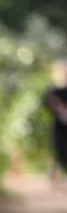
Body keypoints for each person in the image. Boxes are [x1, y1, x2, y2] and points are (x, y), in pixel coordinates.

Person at [43, 60, 67, 189]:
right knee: (58, 150)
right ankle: (54, 176)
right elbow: (47, 101)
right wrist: (57, 108)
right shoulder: (54, 91)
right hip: (59, 126)